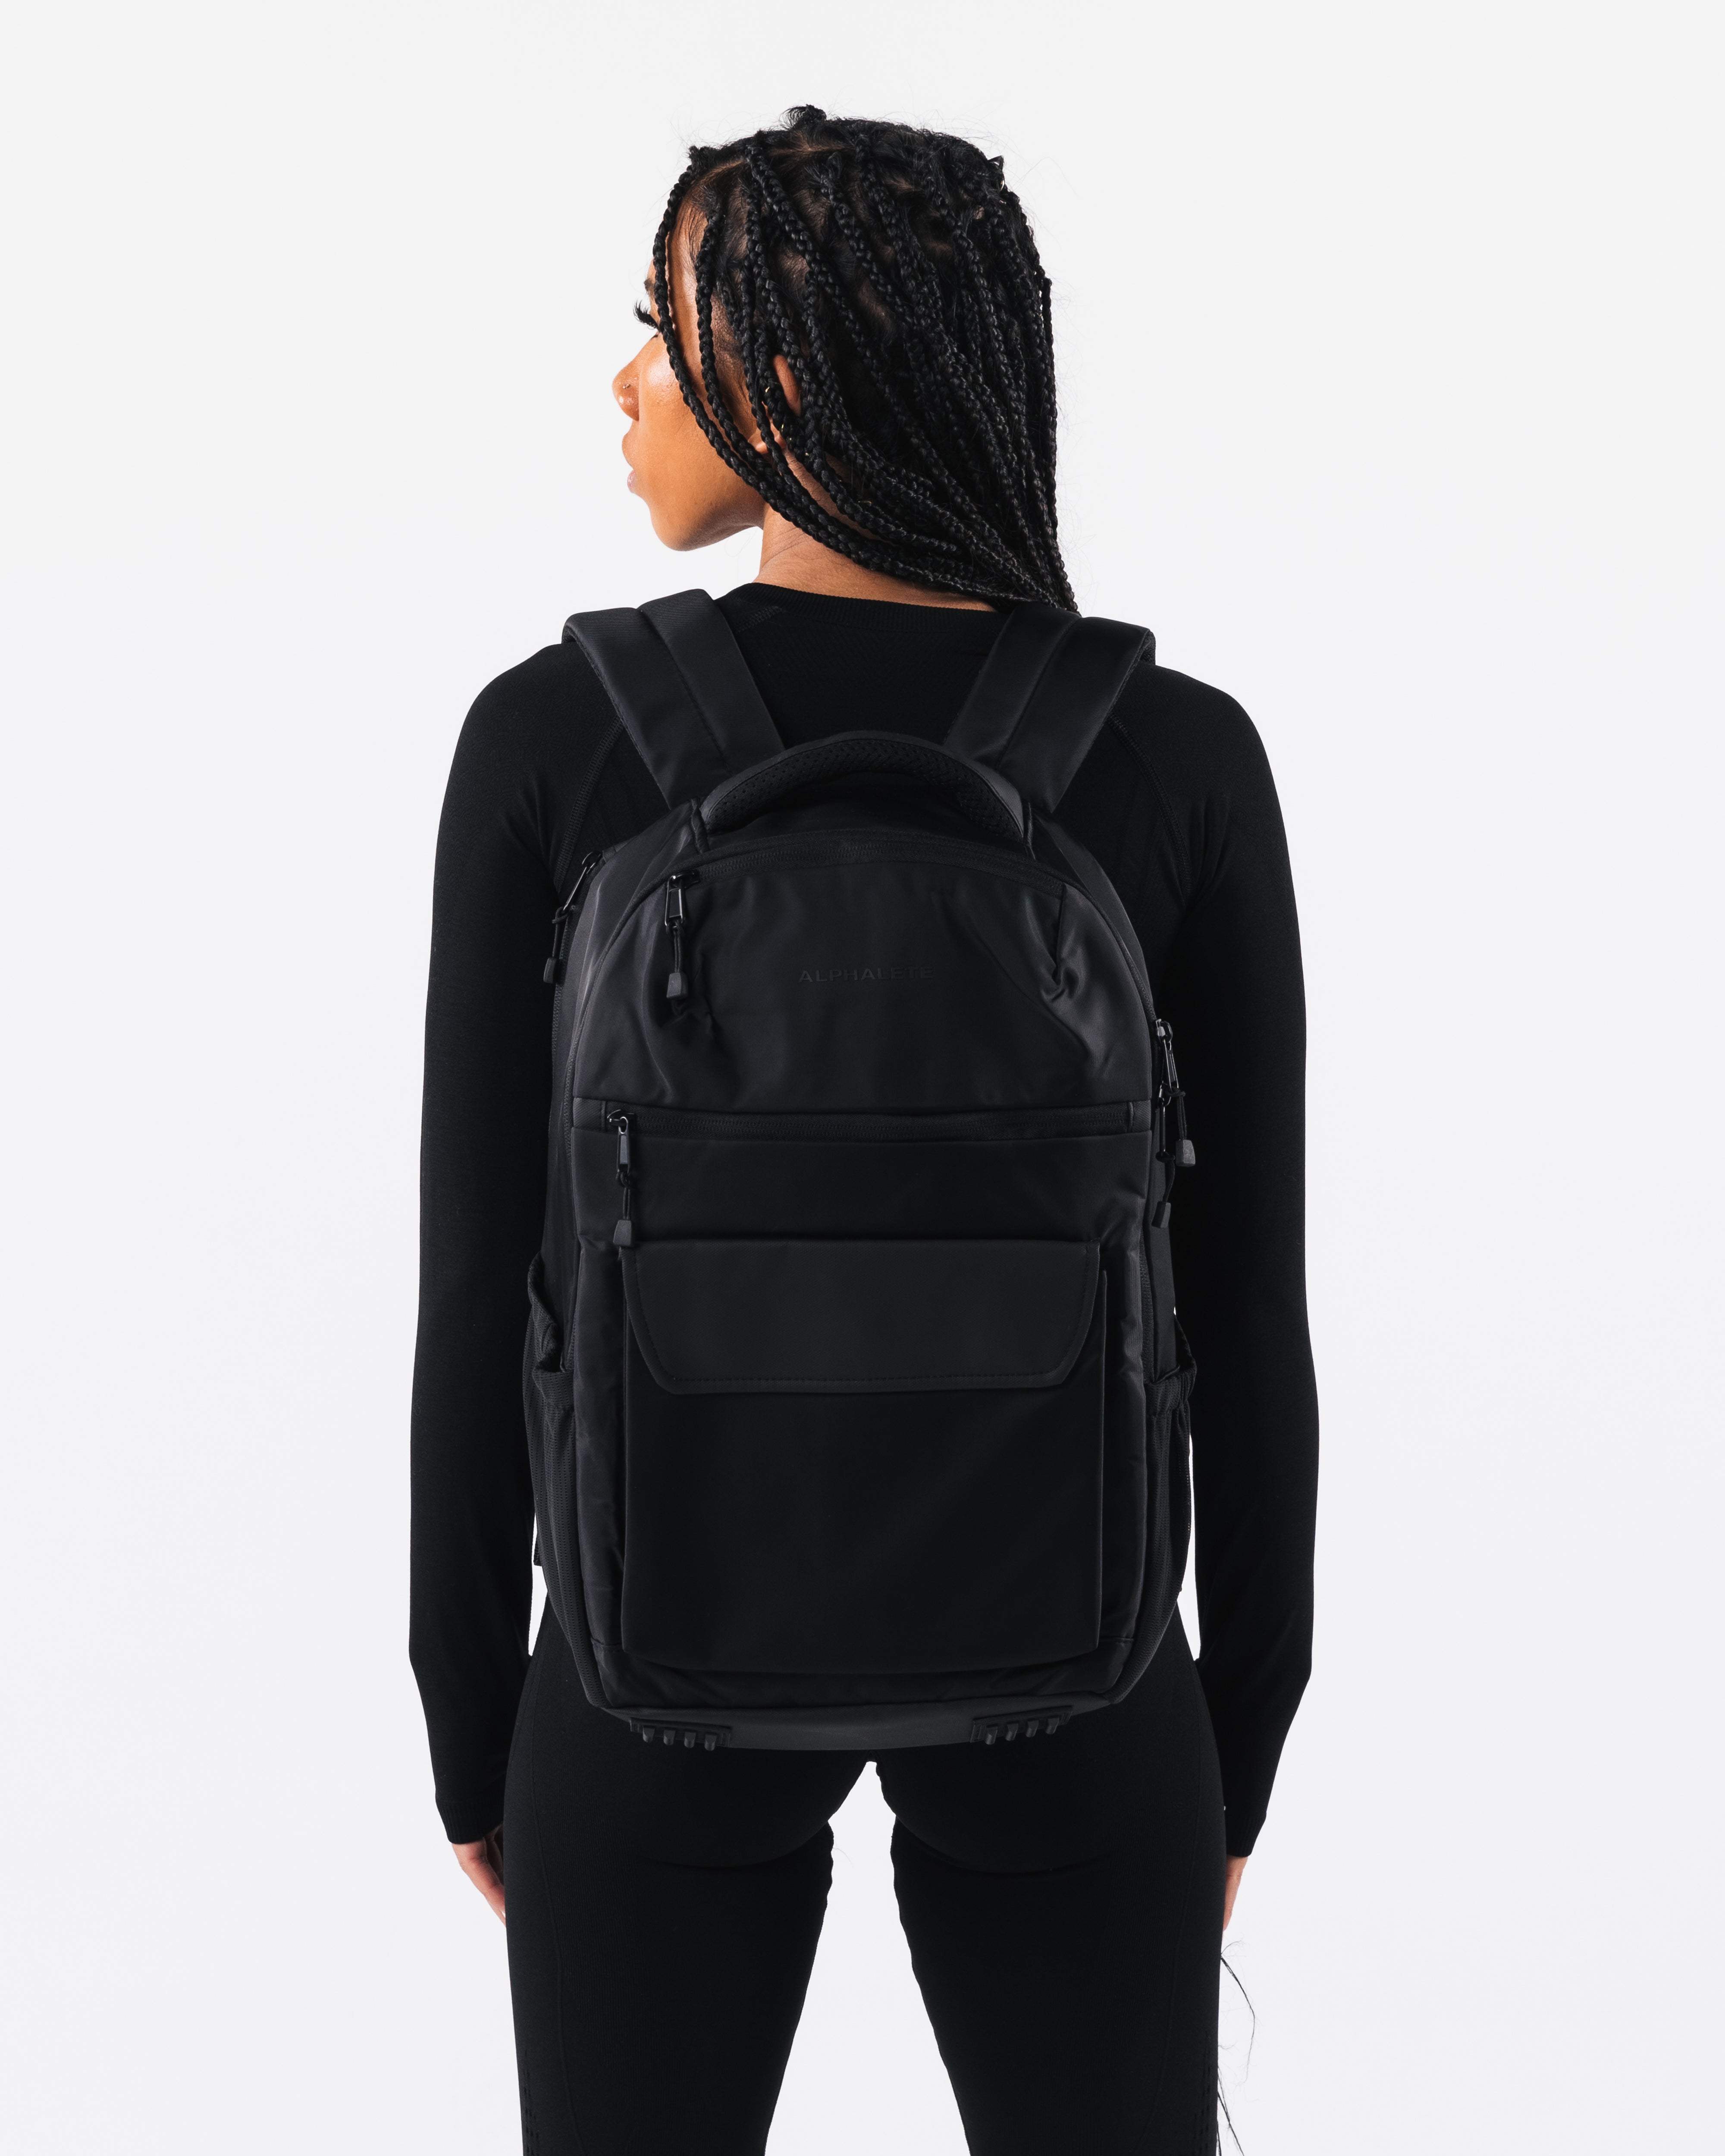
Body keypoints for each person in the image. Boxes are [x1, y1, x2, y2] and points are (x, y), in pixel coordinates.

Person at [410, 107, 1318, 2156]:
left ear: (786, 375)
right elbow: (1246, 1309)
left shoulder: (551, 740)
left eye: (664, 330)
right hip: (1085, 1667)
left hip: (639, 1662)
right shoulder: (1168, 753)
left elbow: (476, 1285)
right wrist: (1233, 1736)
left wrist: (476, 1719)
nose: (627, 380)